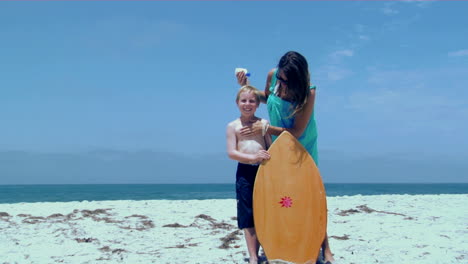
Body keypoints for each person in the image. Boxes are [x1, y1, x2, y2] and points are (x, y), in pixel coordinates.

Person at [236, 51, 337, 264]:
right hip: (279, 144)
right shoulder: (273, 75)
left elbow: (297, 131)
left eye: (286, 81)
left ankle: (326, 249)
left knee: (310, 197)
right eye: (280, 78)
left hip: (302, 145)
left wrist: (265, 127)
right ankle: (287, 239)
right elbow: (266, 97)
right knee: (284, 196)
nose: (281, 83)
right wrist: (247, 86)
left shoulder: (308, 93)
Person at [226, 85, 272, 264]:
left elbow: (270, 146)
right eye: (243, 100)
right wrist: (252, 157)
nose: (247, 104)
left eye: (252, 101)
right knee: (248, 213)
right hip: (245, 172)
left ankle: (268, 250)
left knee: (265, 211)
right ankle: (253, 256)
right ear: (237, 103)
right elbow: (232, 152)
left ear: (258, 104)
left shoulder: (263, 123)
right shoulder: (233, 126)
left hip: (264, 171)